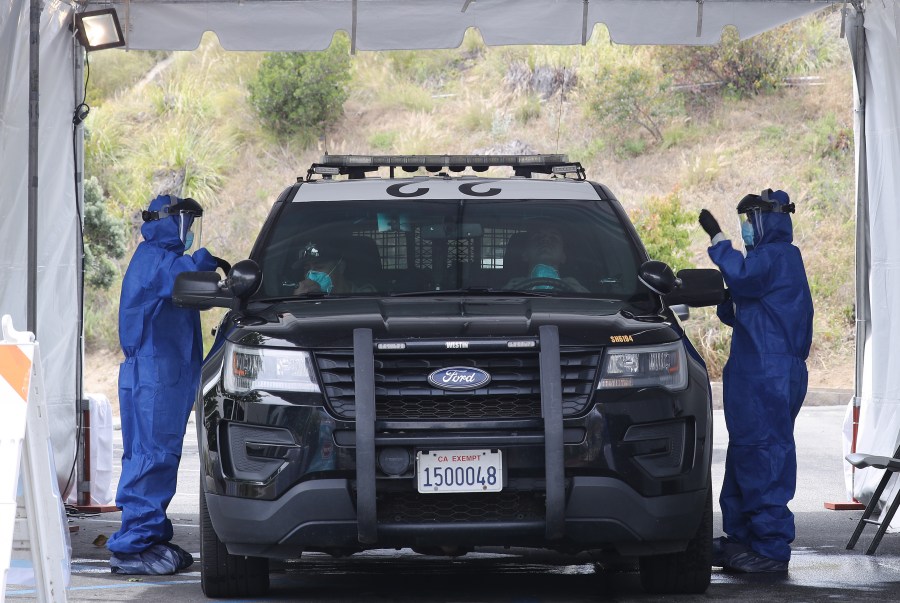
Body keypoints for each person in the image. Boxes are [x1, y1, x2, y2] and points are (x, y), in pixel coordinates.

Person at [108, 194, 229, 575]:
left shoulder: (160, 258)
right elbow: (184, 281)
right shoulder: (158, 260)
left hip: (160, 375)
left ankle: (151, 536)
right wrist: (206, 262)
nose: (191, 230)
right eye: (187, 223)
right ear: (171, 221)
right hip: (155, 378)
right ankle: (132, 548)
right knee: (151, 459)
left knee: (153, 457)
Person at [698, 189, 814, 574]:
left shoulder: (776, 256)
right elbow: (741, 310)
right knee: (746, 454)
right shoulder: (769, 263)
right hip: (759, 372)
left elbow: (743, 277)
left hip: (769, 375)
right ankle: (741, 539)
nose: (746, 229)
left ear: (767, 219)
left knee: (763, 455)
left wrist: (718, 242)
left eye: (750, 221)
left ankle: (769, 548)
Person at [503, 225, 589, 292]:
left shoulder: (574, 287)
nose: (545, 241)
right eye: (537, 237)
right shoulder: (513, 287)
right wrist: (505, 294)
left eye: (553, 238)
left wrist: (581, 293)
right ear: (524, 255)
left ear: (564, 256)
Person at [293, 239, 376, 295]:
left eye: (319, 267)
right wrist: (299, 301)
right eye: (307, 269)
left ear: (340, 267)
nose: (311, 275)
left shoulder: (366, 296)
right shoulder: (306, 297)